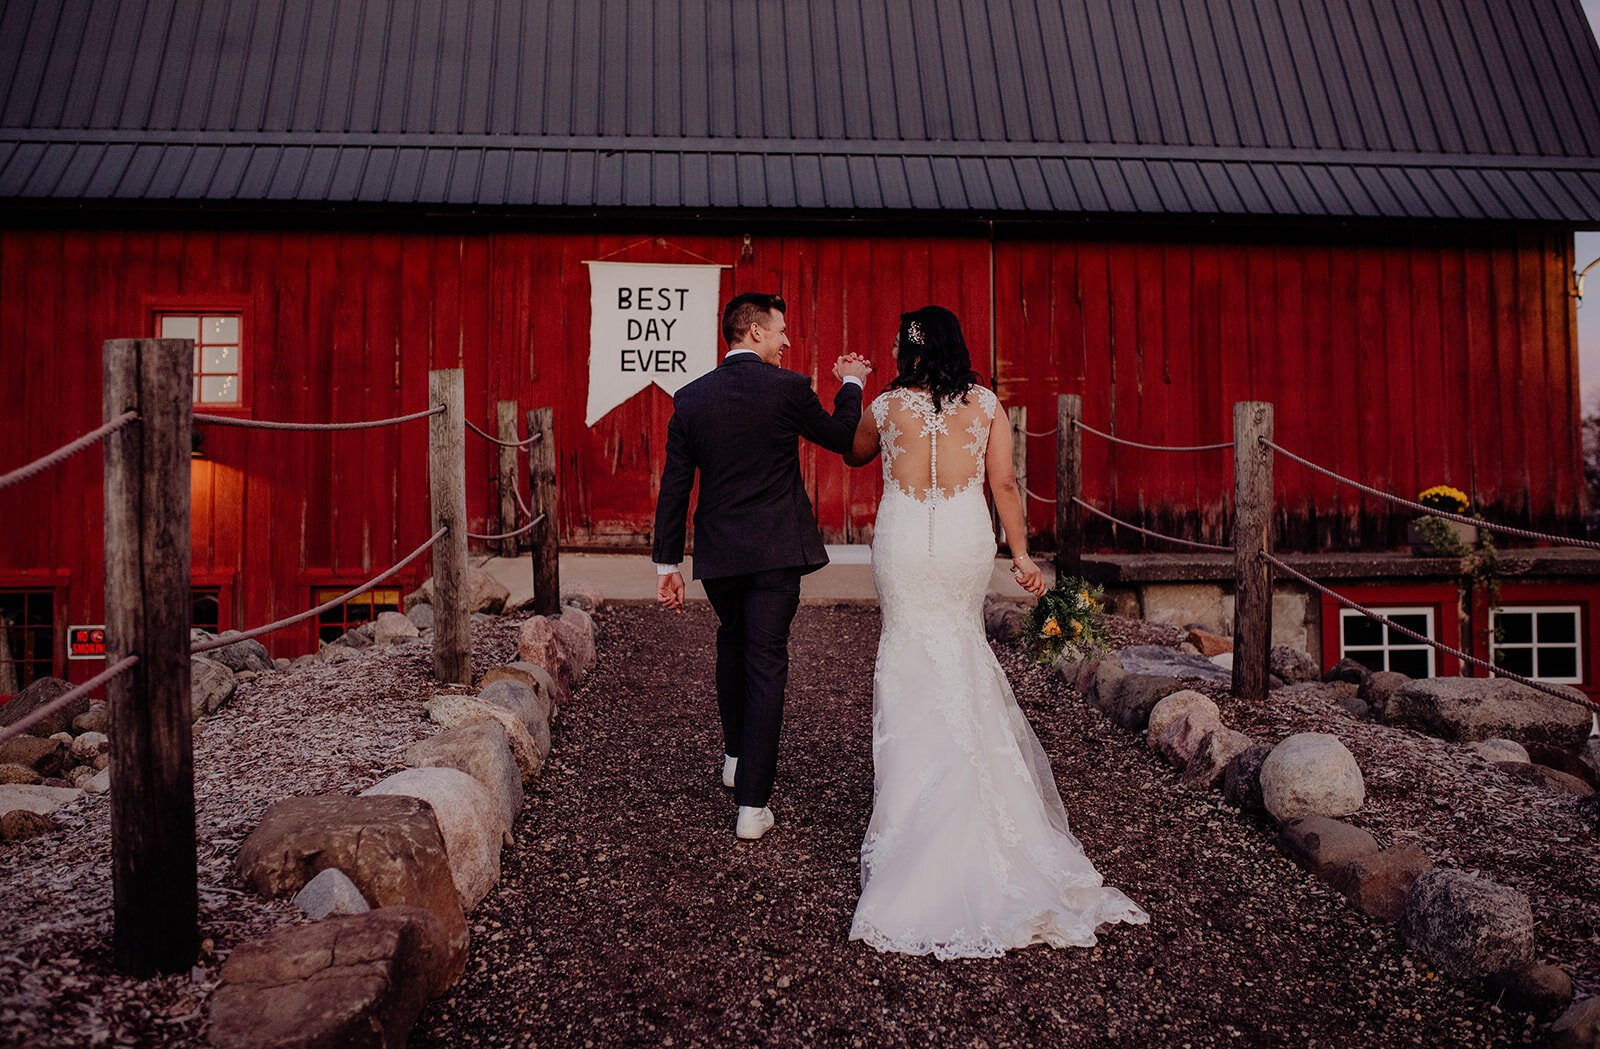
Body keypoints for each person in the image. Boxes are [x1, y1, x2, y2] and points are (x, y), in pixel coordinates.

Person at [841, 305, 1148, 958]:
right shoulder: (984, 405)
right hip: (961, 538)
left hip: (902, 541)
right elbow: (1003, 482)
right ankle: (977, 801)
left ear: (912, 350)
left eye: (899, 340)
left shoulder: (885, 403)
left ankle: (911, 814)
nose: (893, 347)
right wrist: (1023, 555)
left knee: (906, 656)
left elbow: (854, 450)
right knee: (960, 650)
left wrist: (847, 384)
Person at [653, 291, 873, 841]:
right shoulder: (789, 388)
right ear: (753, 332)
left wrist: (666, 566)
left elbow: (675, 484)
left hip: (721, 554)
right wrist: (852, 384)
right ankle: (753, 805)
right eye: (780, 331)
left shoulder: (691, 399)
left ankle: (734, 758)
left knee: (732, 640)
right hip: (777, 550)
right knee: (767, 660)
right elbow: (842, 437)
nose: (787, 341)